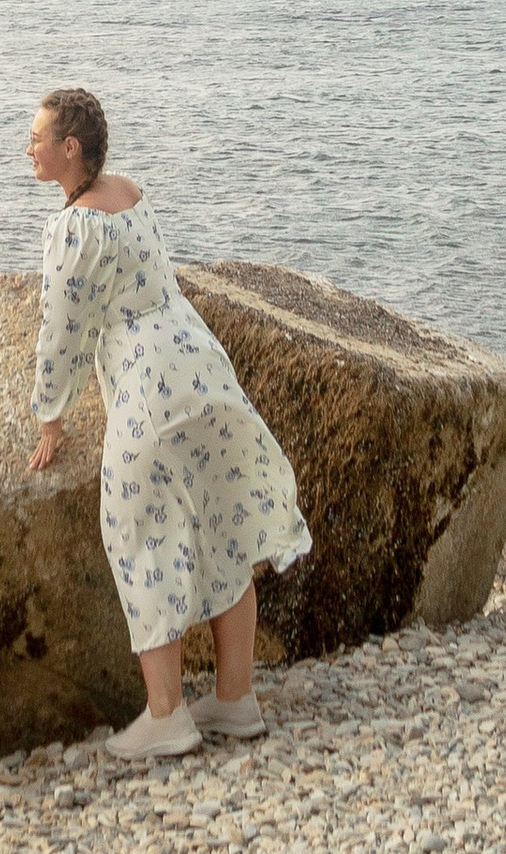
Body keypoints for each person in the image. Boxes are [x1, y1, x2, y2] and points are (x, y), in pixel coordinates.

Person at [24, 84, 310, 761]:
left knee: (140, 532)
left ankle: (167, 715)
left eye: (36, 137)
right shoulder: (130, 194)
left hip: (148, 385)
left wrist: (51, 417)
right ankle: (235, 700)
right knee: (219, 520)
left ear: (69, 147)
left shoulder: (76, 227)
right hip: (199, 362)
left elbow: (63, 330)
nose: (26, 148)